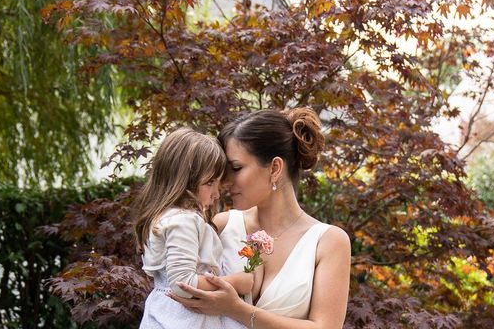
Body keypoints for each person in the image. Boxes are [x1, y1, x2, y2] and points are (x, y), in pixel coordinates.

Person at [169, 108, 351, 329]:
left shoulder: (328, 242)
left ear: (275, 168)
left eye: (236, 168)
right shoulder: (221, 225)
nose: (224, 182)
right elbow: (176, 293)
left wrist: (236, 309)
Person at [134, 127, 253, 329]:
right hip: (184, 319)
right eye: (210, 183)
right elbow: (182, 283)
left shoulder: (168, 217)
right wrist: (235, 282)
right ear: (183, 181)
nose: (217, 194)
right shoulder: (183, 221)